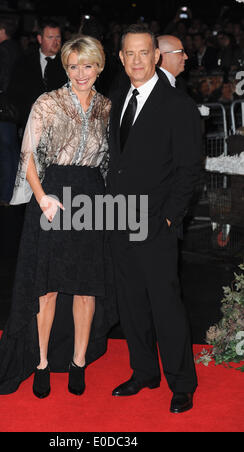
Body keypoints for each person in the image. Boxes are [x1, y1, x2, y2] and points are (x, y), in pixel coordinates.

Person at [0, 35, 117, 403]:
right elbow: (29, 157)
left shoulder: (106, 107)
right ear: (65, 67)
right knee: (48, 287)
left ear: (99, 66)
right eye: (73, 66)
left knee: (86, 289)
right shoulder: (48, 102)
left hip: (90, 198)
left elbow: (107, 163)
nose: (80, 73)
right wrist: (42, 198)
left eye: (87, 65)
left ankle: (78, 361)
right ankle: (40, 363)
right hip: (52, 194)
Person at [107, 25, 202, 414]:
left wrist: (167, 219)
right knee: (131, 304)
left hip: (156, 223)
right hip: (118, 220)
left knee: (166, 305)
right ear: (121, 58)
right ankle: (144, 371)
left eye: (143, 53)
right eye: (129, 54)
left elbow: (189, 171)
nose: (136, 60)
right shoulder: (116, 100)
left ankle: (182, 383)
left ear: (156, 57)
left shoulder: (177, 105)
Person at [0, 18, 21, 208]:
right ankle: (13, 194)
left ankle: (4, 196)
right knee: (12, 152)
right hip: (11, 108)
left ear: (1, 30)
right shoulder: (15, 48)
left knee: (6, 153)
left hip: (1, 109)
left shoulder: (2, 50)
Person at [9, 19, 67, 129]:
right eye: (50, 37)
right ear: (40, 39)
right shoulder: (24, 62)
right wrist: (28, 106)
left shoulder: (67, 64)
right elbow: (14, 92)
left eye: (58, 37)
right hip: (31, 124)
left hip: (59, 126)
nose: (55, 42)